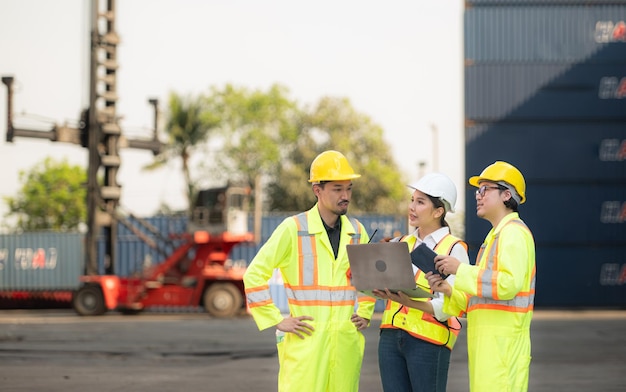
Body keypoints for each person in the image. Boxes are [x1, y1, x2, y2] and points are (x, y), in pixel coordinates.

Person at [243, 150, 376, 392]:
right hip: (307, 346)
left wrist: (366, 311)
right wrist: (276, 319)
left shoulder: (357, 232)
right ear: (317, 190)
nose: (345, 195)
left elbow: (367, 278)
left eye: (349, 188)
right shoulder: (293, 229)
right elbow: (254, 274)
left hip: (345, 345)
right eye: (337, 189)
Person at [426, 161, 536, 392]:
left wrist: (460, 269)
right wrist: (448, 289)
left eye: (485, 189)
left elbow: (508, 285)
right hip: (490, 348)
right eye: (478, 190)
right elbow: (478, 300)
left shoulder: (513, 233)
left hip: (503, 350)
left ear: (507, 194)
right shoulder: (493, 238)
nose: (478, 195)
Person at [372, 172, 470, 392]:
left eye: (420, 202)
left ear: (438, 211)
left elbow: (451, 306)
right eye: (412, 200)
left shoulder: (454, 249)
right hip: (390, 337)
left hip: (429, 341)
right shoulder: (400, 243)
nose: (412, 207)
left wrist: (409, 301)